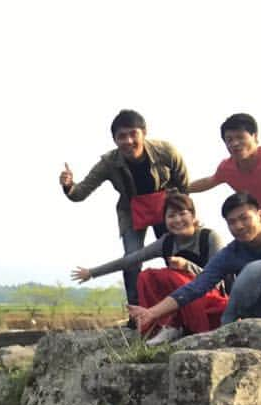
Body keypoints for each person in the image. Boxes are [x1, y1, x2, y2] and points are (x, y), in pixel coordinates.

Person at [60, 109, 189, 306]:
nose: (128, 141)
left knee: (176, 256)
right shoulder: (109, 163)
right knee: (132, 259)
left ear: (144, 133)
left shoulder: (166, 152)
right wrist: (68, 185)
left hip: (166, 207)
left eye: (133, 134)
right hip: (132, 211)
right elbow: (79, 193)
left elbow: (184, 186)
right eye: (121, 136)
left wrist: (184, 216)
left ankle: (186, 303)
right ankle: (136, 312)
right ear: (114, 140)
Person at [72, 191, 226, 345]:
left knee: (171, 276)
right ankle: (160, 328)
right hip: (181, 300)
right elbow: (130, 260)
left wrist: (187, 266)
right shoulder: (167, 242)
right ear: (164, 221)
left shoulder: (209, 237)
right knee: (147, 276)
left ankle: (181, 327)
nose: (177, 220)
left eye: (182, 214)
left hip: (211, 299)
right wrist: (92, 273)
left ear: (193, 216)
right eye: (171, 216)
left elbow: (219, 279)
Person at [130, 192, 261, 332]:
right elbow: (196, 287)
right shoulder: (231, 253)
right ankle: (228, 330)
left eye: (244, 218)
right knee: (259, 268)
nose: (239, 226)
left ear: (260, 216)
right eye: (232, 222)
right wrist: (152, 312)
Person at [188, 114, 261, 220]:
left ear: (255, 136)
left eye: (240, 137)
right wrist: (179, 189)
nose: (235, 143)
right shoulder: (226, 168)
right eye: (229, 140)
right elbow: (209, 181)